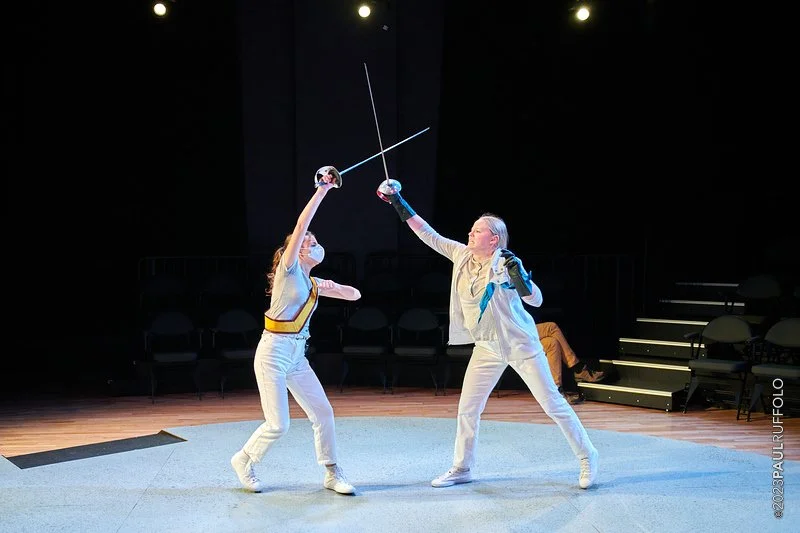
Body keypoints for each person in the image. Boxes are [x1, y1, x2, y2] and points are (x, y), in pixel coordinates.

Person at [377, 185, 599, 489]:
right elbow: (427, 233)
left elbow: (536, 300)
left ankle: (587, 456)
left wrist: (519, 276)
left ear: (494, 239)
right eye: (471, 229)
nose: (470, 233)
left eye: (477, 231)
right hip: (487, 347)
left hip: (521, 345)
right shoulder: (461, 255)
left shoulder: (505, 262)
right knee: (468, 408)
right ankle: (462, 467)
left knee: (552, 404)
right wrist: (397, 201)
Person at [231, 173, 361, 495]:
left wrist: (334, 287)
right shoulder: (288, 272)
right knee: (279, 424)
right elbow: (302, 224)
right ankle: (244, 459)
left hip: (297, 357)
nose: (316, 246)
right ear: (298, 251)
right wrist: (323, 190)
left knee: (323, 412)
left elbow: (354, 295)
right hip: (273, 354)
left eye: (315, 242)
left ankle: (331, 472)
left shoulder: (312, 284)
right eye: (311, 243)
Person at [537, 321, 606, 405]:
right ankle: (578, 368)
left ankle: (557, 389)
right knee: (551, 327)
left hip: (523, 336)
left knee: (552, 343)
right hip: (521, 335)